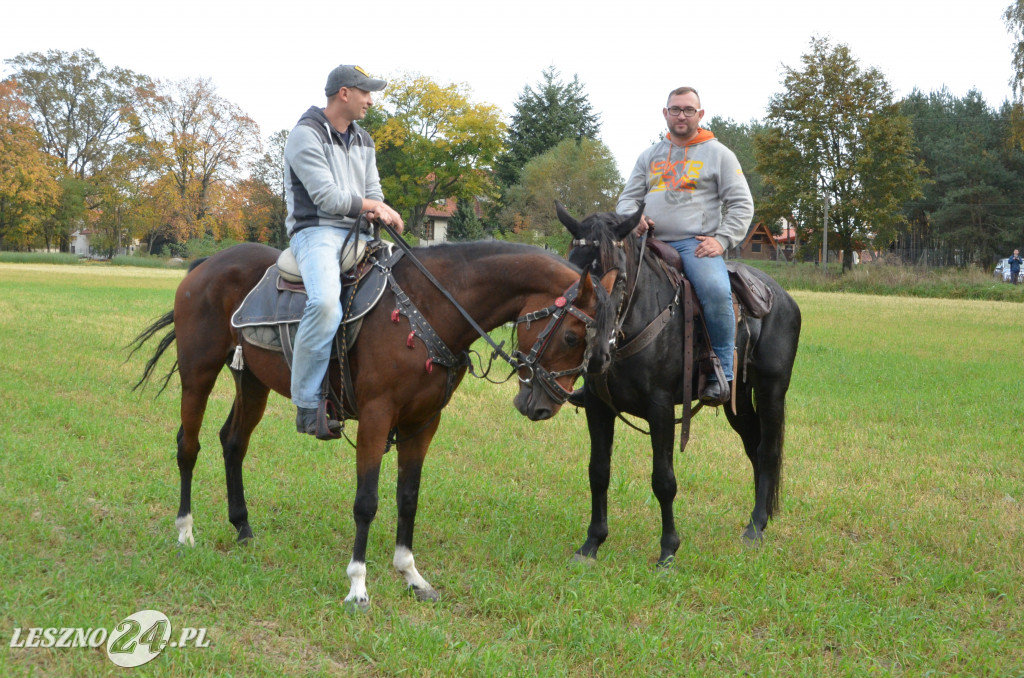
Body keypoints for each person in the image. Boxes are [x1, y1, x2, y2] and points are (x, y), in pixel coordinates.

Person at [284, 64, 405, 437]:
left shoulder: (364, 139)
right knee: (324, 305)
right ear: (344, 94)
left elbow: (374, 191)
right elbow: (326, 196)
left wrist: (382, 212)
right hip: (316, 232)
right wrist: (374, 206)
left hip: (359, 232)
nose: (370, 100)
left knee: (411, 281)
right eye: (365, 92)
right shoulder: (304, 135)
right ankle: (307, 403)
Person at [616, 86, 754, 404]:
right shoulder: (649, 156)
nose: (681, 115)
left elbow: (742, 204)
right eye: (675, 109)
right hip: (647, 243)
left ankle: (721, 373)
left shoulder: (719, 154)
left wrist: (721, 241)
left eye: (688, 110)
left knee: (716, 291)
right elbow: (627, 199)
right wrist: (631, 218)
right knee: (604, 282)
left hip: (695, 245)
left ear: (700, 115)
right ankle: (598, 369)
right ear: (665, 113)